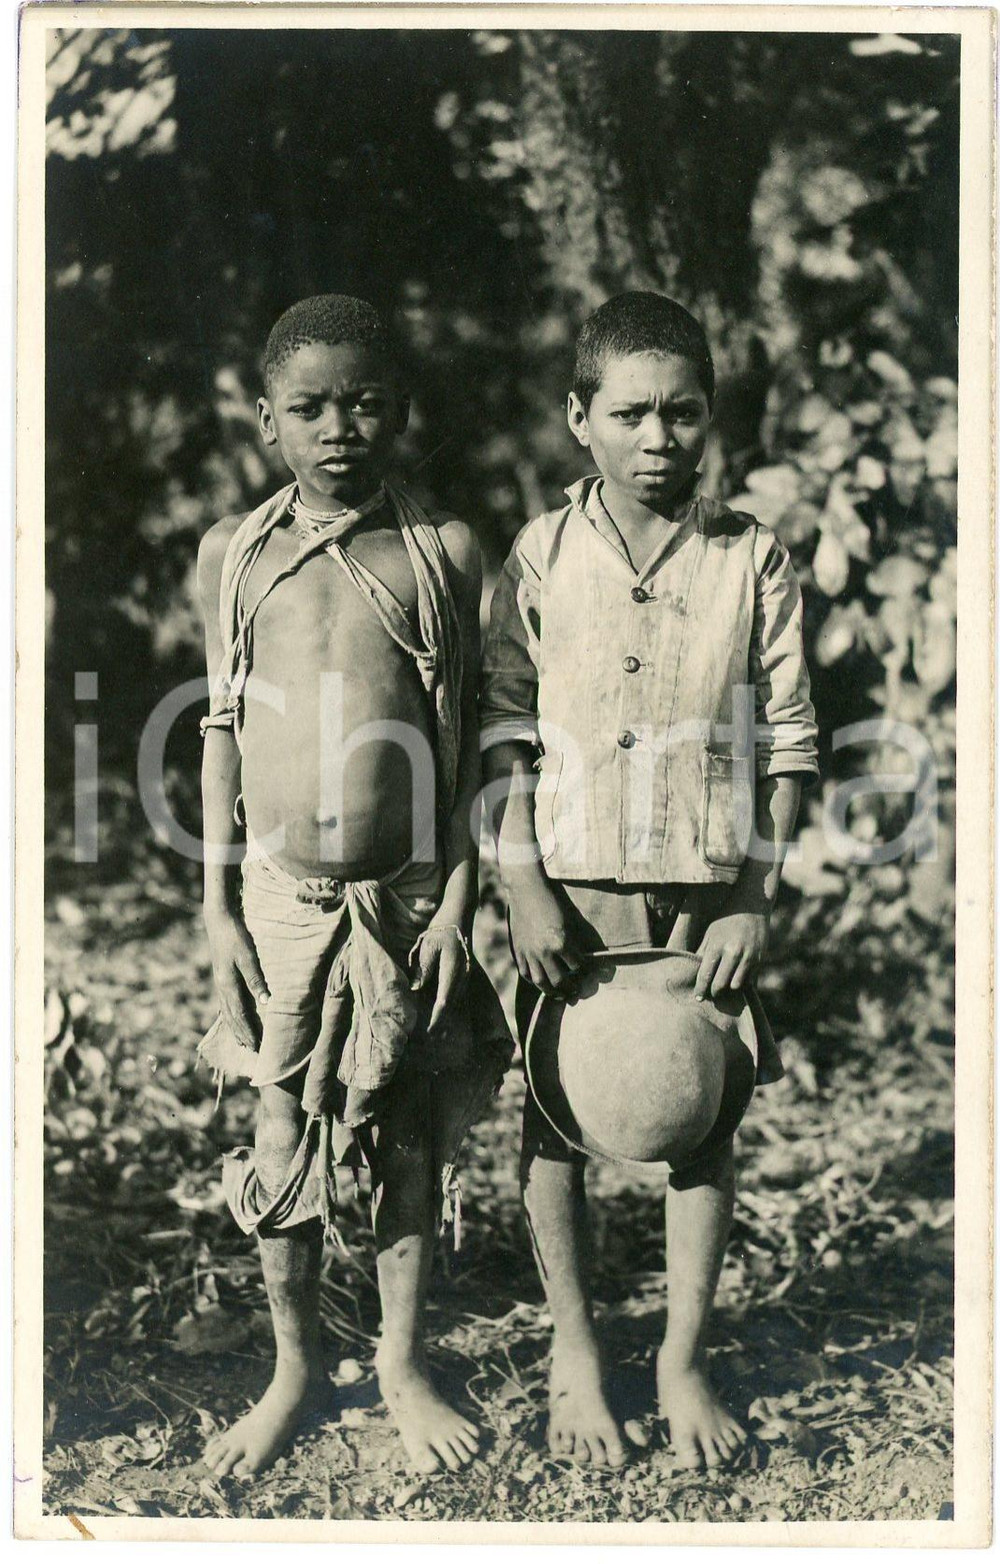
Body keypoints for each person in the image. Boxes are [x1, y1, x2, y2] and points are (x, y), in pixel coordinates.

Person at [480, 291, 819, 1471]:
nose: (657, 437)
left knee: (701, 1112)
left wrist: (752, 894)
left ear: (710, 418)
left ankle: (681, 1355)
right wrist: (521, 882)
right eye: (629, 413)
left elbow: (788, 734)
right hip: (572, 888)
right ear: (580, 417)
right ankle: (576, 1350)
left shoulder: (750, 556)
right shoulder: (540, 552)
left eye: (681, 413)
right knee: (554, 1113)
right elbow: (501, 729)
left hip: (703, 886)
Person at [196, 294, 511, 1478]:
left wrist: (462, 897)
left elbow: (468, 743)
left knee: (405, 1129)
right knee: (280, 1126)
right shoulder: (234, 555)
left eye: (365, 403)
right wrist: (216, 907)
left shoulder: (440, 550)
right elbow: (221, 734)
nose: (339, 428)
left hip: (411, 887)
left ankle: (400, 1362)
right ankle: (292, 1367)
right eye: (311, 407)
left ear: (401, 413)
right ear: (267, 420)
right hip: (279, 895)